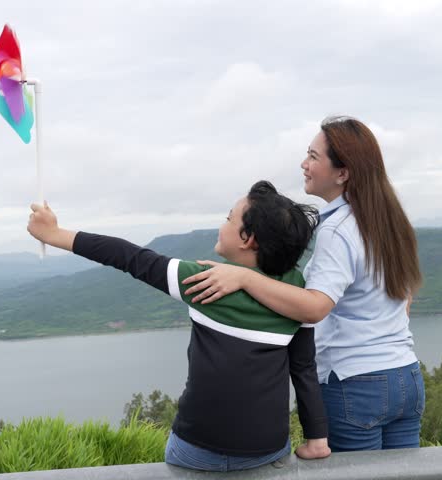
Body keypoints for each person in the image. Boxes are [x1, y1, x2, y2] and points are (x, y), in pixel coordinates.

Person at [27, 180, 331, 471]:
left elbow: (128, 256)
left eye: (228, 219)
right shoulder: (297, 294)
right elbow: (303, 368)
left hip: (198, 448)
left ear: (246, 238)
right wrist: (317, 439)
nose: (221, 224)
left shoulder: (205, 281)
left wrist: (55, 234)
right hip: (266, 450)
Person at [180, 116, 425, 451]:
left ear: (343, 172)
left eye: (313, 156)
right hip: (406, 376)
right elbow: (405, 296)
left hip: (355, 384)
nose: (303, 163)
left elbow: (314, 307)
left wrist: (244, 277)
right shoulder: (388, 220)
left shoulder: (338, 230)